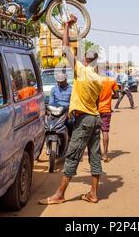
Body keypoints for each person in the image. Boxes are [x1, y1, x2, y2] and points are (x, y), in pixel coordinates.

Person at [38, 15, 103, 205]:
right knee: (95, 156)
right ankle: (93, 194)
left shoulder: (81, 72)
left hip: (84, 121)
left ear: (85, 60)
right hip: (95, 119)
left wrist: (66, 26)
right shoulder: (98, 80)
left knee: (72, 155)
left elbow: (65, 48)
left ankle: (59, 194)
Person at [98, 73, 119, 162]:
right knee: (105, 131)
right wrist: (109, 96)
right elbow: (117, 95)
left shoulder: (95, 80)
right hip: (106, 109)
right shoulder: (112, 81)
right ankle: (105, 155)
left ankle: (97, 154)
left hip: (95, 110)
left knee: (95, 133)